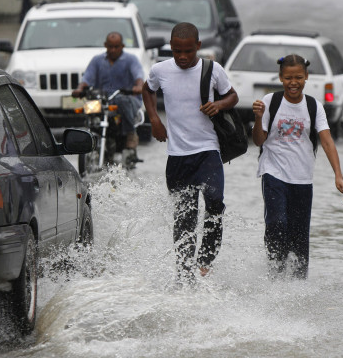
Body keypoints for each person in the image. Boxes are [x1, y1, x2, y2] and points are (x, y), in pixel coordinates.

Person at [141, 22, 239, 284]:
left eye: (187, 51)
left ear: (198, 46)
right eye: (176, 51)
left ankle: (206, 257)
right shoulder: (160, 70)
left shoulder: (212, 69)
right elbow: (147, 90)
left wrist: (218, 104)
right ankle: (184, 274)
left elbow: (233, 96)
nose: (182, 57)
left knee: (215, 202)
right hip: (177, 156)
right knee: (184, 216)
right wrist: (154, 119)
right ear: (170, 48)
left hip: (208, 150)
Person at [251, 54, 343, 280]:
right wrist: (257, 118)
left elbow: (326, 141)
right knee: (277, 223)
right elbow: (259, 140)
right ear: (280, 78)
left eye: (298, 77)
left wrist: (339, 176)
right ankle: (274, 276)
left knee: (299, 237)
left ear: (306, 77)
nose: (293, 82)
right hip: (273, 173)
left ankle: (298, 288)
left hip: (303, 180)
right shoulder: (269, 102)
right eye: (288, 78)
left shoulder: (314, 106)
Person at [72, 32, 144, 164]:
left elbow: (139, 77)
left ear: (122, 46)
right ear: (105, 45)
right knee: (89, 106)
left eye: (116, 47)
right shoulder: (97, 60)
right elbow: (87, 79)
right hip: (104, 101)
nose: (113, 50)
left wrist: (138, 86)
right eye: (110, 46)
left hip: (127, 99)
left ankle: (130, 135)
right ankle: (91, 133)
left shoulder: (131, 59)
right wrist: (80, 89)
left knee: (122, 100)